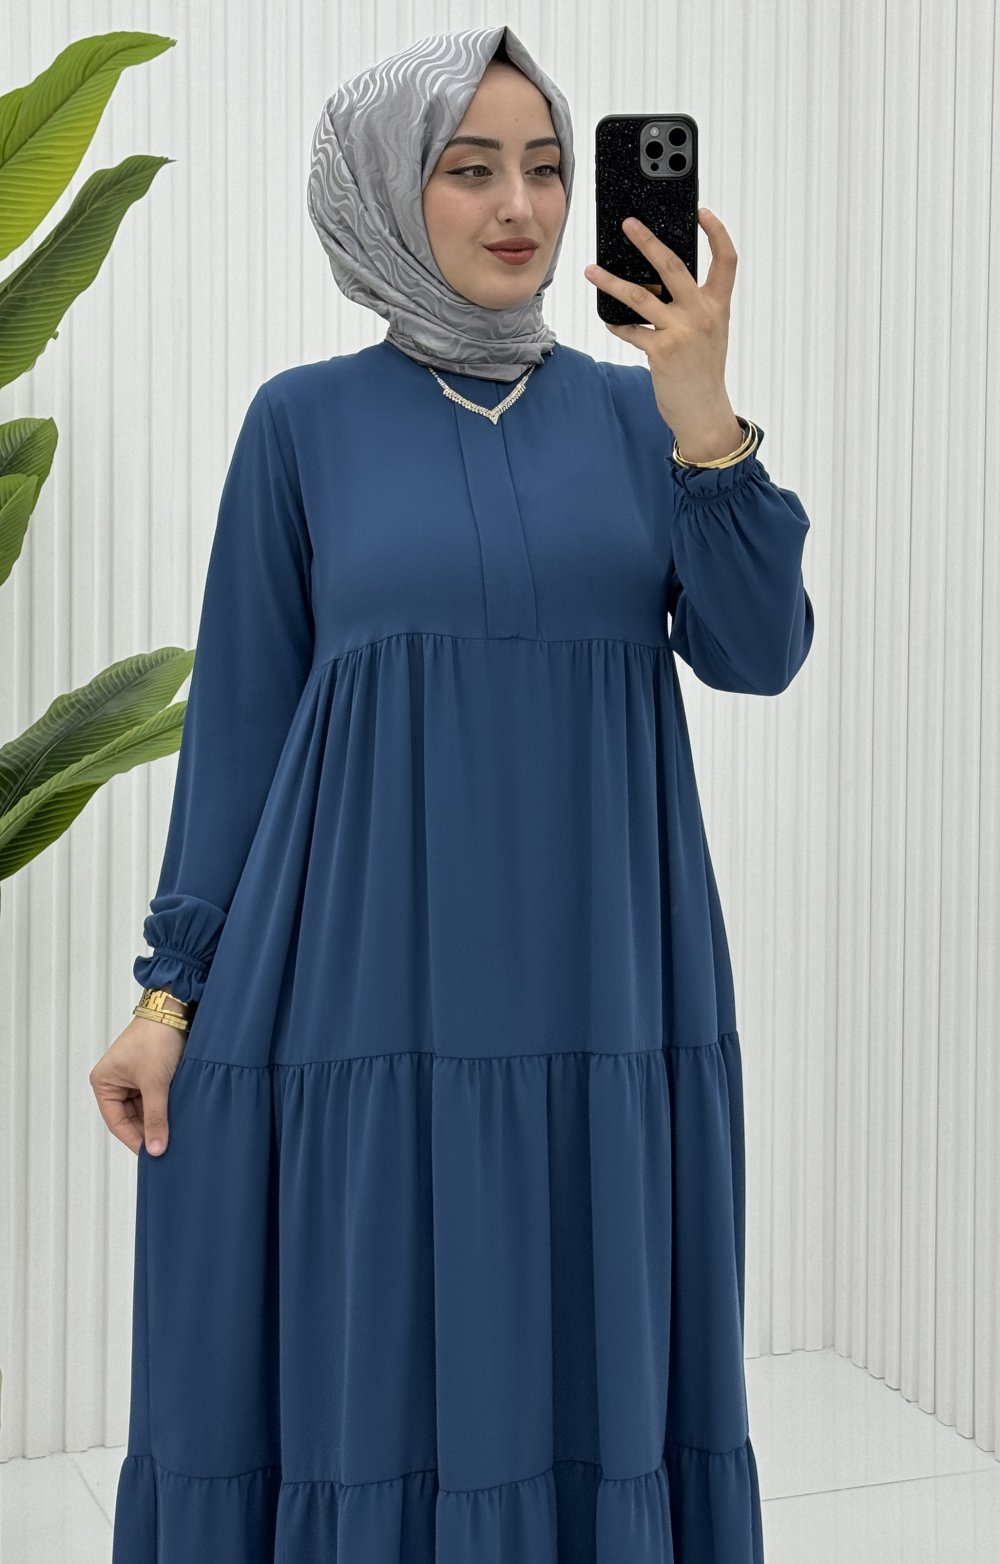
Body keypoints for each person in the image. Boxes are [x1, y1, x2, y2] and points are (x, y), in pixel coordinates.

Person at [95, 23, 814, 1562]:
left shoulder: (641, 419)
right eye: (470, 168)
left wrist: (706, 416)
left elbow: (759, 655)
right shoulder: (302, 424)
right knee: (378, 1364)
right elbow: (244, 723)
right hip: (360, 986)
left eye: (547, 168)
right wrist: (169, 994)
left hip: (603, 984)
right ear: (385, 189)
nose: (523, 207)